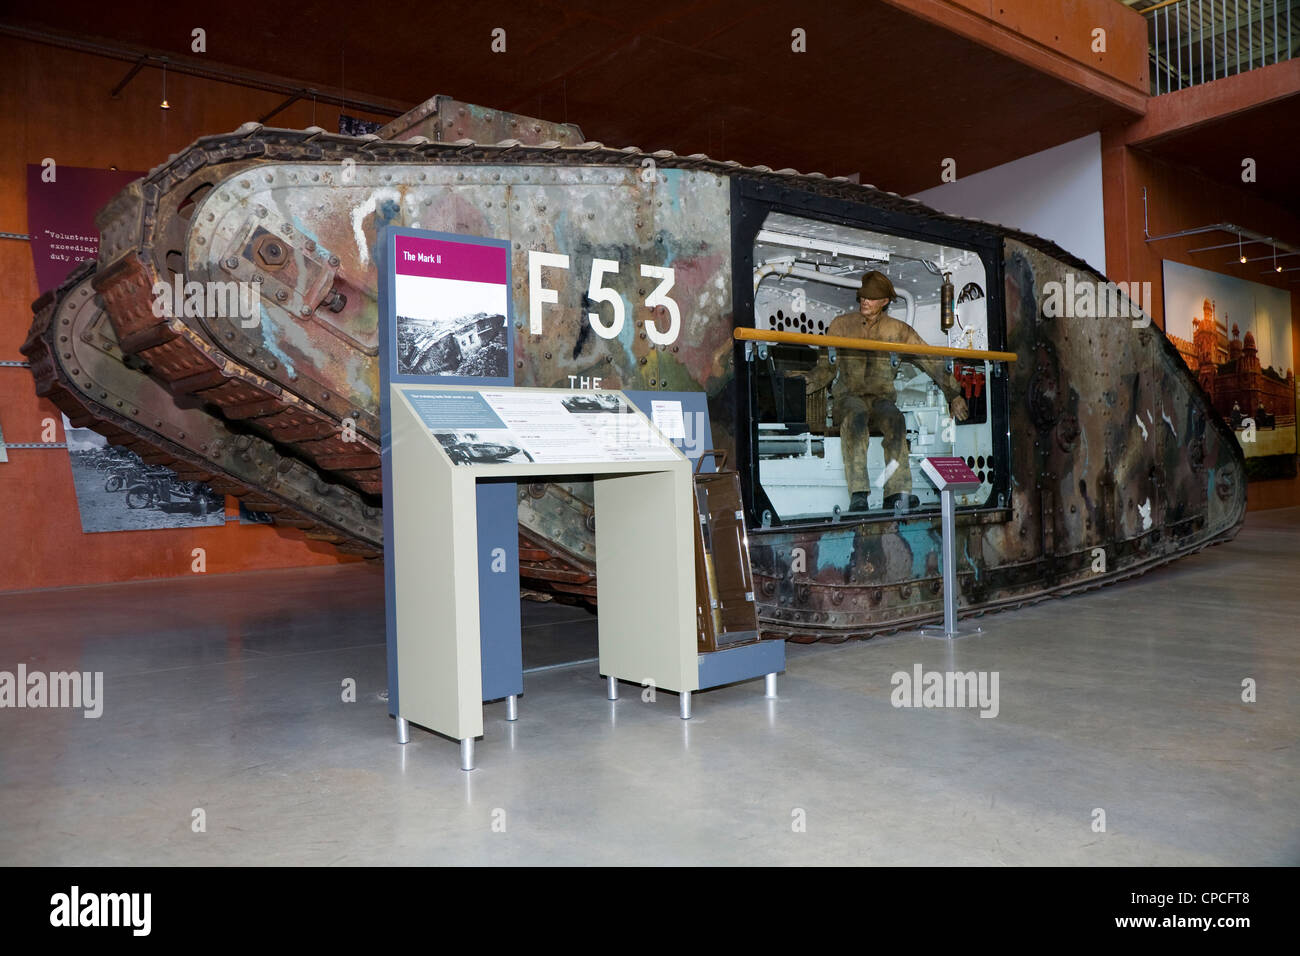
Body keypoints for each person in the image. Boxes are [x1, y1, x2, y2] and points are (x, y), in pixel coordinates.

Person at [792, 271, 969, 512]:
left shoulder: (898, 331)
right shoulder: (840, 326)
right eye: (863, 296)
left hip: (881, 400)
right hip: (847, 398)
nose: (865, 301)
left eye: (872, 298)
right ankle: (859, 494)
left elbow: (930, 360)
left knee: (896, 421)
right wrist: (803, 384)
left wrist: (953, 394)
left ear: (885, 301)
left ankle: (896, 492)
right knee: (855, 419)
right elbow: (826, 368)